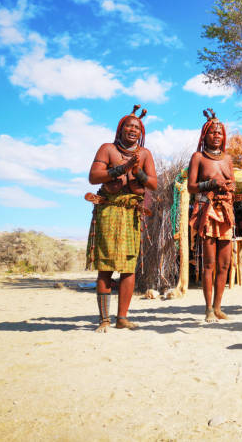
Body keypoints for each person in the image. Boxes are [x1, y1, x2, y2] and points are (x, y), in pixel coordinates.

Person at [86, 105, 157, 332]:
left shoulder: (145, 154)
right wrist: (121, 169)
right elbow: (94, 177)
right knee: (105, 265)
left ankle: (122, 318)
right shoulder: (107, 149)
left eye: (137, 127)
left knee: (128, 267)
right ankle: (104, 319)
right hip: (108, 210)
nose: (133, 129)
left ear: (141, 132)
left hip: (131, 213)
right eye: (129, 125)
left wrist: (138, 173)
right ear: (120, 128)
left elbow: (153, 184)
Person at [188, 109, 235, 322]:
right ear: (204, 135)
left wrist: (228, 188)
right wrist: (211, 184)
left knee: (225, 263)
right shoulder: (198, 157)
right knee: (209, 263)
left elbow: (233, 184)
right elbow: (191, 186)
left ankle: (218, 307)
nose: (217, 136)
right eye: (213, 133)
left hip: (225, 213)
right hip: (207, 213)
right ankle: (207, 308)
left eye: (220, 133)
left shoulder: (228, 159)